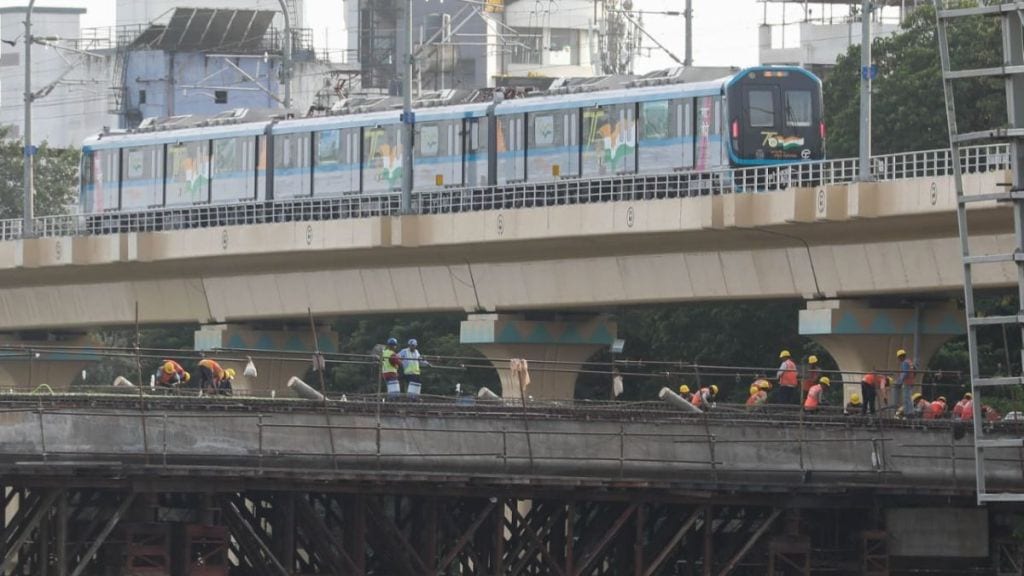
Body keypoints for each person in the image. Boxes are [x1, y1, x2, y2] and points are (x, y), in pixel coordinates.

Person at [894, 349, 916, 417]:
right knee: (909, 398)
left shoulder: (905, 363)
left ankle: (908, 413)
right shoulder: (910, 362)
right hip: (911, 382)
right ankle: (911, 412)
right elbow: (915, 370)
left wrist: (899, 382)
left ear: (901, 356)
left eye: (899, 357)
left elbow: (905, 373)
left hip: (907, 382)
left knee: (906, 398)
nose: (899, 359)